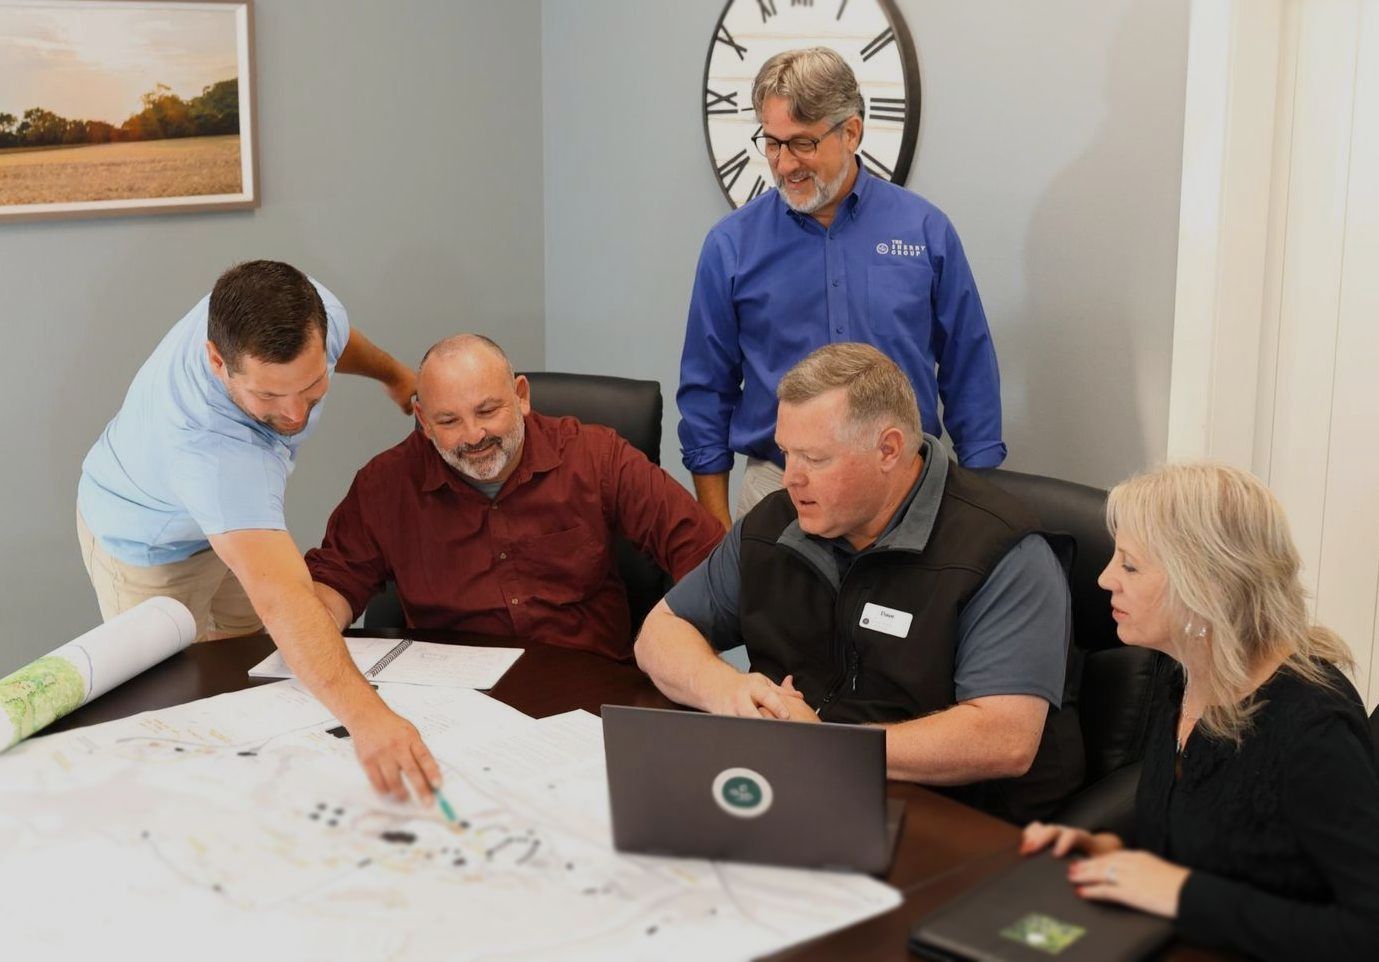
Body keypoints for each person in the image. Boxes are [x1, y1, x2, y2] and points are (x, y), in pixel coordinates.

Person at [639, 343, 1081, 823]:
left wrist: (827, 745)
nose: (791, 479)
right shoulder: (774, 525)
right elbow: (659, 633)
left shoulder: (1003, 552)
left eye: (815, 458)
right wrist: (724, 690)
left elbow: (1004, 737)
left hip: (961, 824)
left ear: (888, 449)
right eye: (786, 453)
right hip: (804, 794)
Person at [78, 260, 442, 806]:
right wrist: (372, 720)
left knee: (255, 671)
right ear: (218, 363)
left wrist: (395, 375)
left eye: (311, 385)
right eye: (269, 397)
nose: (295, 414)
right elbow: (285, 600)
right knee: (175, 715)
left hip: (226, 535)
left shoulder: (305, 312)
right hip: (146, 543)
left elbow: (342, 342)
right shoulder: (211, 450)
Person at [1021, 463, 1379, 960]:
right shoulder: (1188, 675)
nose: (1104, 579)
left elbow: (1366, 935)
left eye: (1130, 565)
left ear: (1203, 583)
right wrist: (1113, 856)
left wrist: (1180, 894)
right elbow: (1206, 832)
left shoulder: (1312, 731)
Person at [679, 47, 1005, 529]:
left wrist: (977, 514)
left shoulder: (925, 232)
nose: (785, 164)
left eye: (803, 144)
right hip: (780, 489)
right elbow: (706, 389)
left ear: (851, 131)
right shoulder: (730, 246)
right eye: (772, 143)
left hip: (904, 488)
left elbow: (969, 369)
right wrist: (716, 528)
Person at [305, 334, 724, 661]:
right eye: (449, 420)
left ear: (521, 396)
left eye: (488, 411)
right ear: (424, 421)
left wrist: (678, 652)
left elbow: (706, 557)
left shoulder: (596, 457)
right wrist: (314, 629)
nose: (473, 436)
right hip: (449, 699)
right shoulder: (386, 484)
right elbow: (334, 583)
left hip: (588, 686)